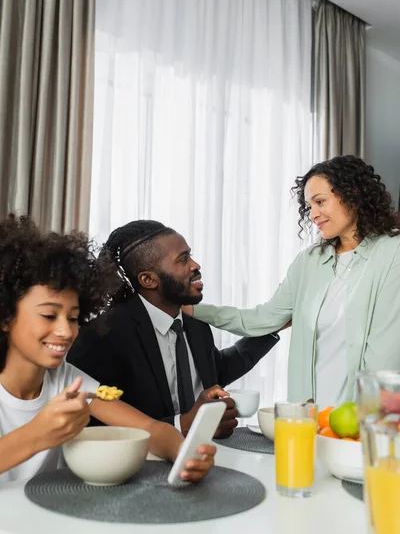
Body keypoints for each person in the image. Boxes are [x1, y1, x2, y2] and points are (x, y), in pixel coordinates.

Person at [0, 215, 215, 485]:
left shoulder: (68, 380)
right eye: (48, 316)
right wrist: (38, 434)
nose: (66, 332)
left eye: (73, 318)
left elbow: (150, 429)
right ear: (6, 317)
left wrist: (185, 453)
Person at [183, 155, 400, 408]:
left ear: (353, 193)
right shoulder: (308, 261)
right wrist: (193, 310)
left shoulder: (393, 253)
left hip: (361, 420)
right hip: (307, 418)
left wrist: (358, 425)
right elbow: (264, 319)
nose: (313, 214)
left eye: (320, 202)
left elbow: (383, 357)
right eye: (309, 206)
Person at [68, 220, 280, 437]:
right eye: (183, 259)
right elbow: (92, 423)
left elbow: (216, 369)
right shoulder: (104, 335)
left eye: (190, 255)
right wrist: (183, 424)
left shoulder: (194, 321)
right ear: (149, 279)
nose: (195, 265)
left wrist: (274, 325)